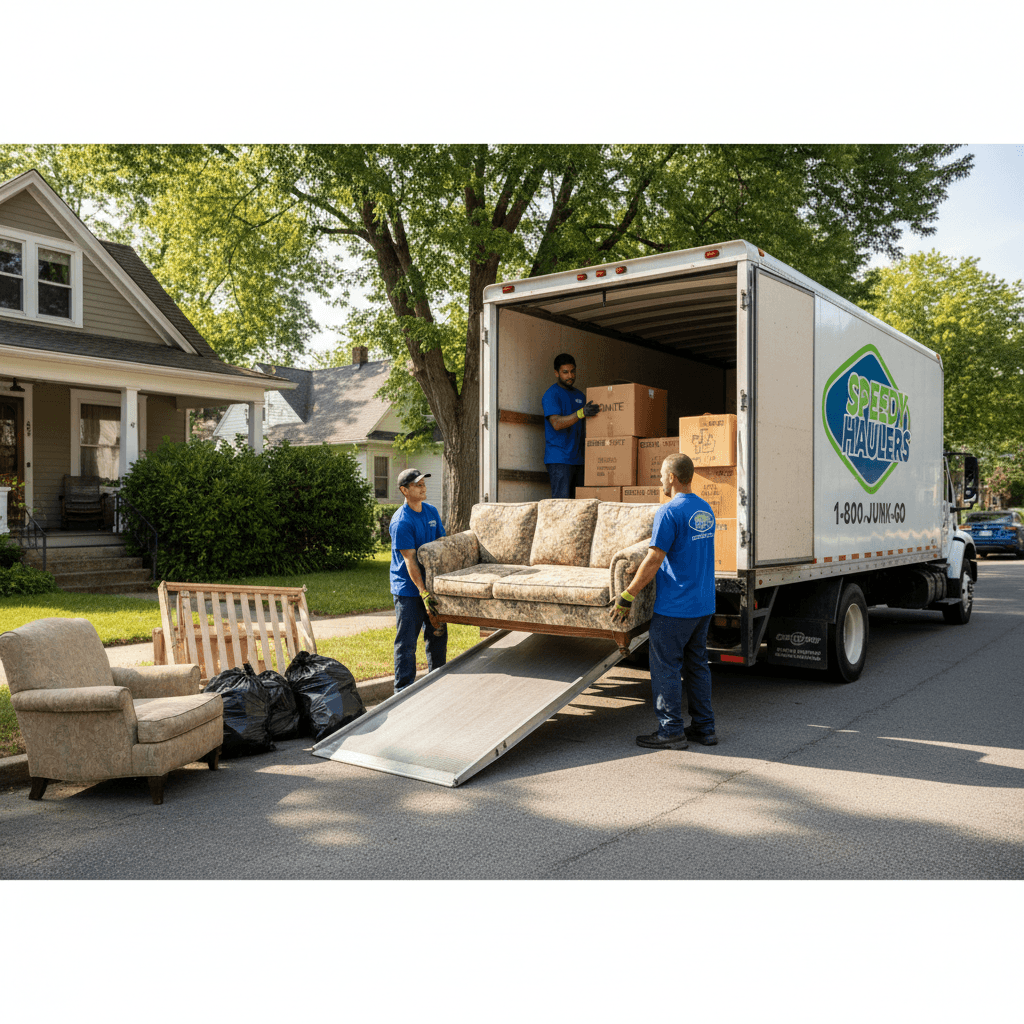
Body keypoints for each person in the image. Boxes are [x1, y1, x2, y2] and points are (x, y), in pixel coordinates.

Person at [611, 452, 718, 749]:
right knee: (697, 665)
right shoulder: (705, 509)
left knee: (666, 667)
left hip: (676, 607)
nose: (659, 479)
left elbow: (655, 557)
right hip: (703, 604)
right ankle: (705, 728)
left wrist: (628, 594)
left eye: (660, 474)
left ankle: (670, 730)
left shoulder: (669, 512)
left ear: (672, 477)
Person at [389, 467, 447, 694]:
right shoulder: (401, 522)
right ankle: (402, 691)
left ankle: (437, 683)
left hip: (431, 585)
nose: (423, 487)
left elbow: (441, 546)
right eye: (417, 484)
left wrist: (438, 586)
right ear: (404, 490)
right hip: (409, 590)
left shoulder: (431, 512)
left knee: (437, 635)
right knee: (407, 643)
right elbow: (410, 562)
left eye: (423, 483)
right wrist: (423, 593)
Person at [542, 353, 599, 498]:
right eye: (565, 372)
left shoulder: (580, 396)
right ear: (557, 373)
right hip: (559, 459)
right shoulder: (551, 395)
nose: (570, 376)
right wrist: (580, 413)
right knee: (562, 506)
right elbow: (556, 423)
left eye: (572, 371)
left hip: (579, 459)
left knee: (579, 507)